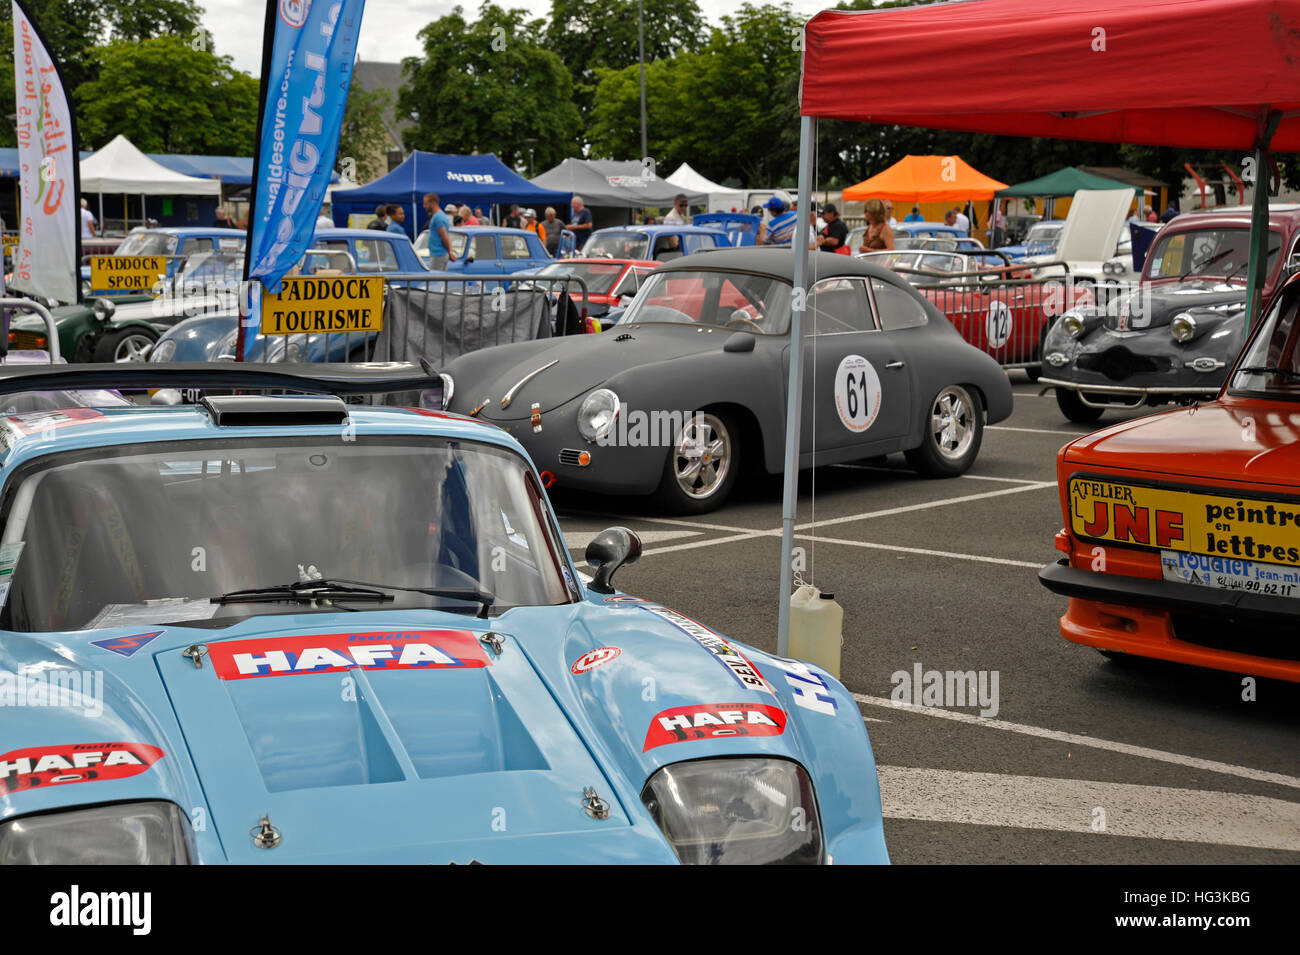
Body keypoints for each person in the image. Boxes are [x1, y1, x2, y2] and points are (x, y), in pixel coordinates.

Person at [423, 192, 455, 269]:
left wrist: (450, 251)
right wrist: (450, 251)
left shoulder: (438, 217)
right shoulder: (440, 216)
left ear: (433, 203)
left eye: (426, 204)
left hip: (438, 255)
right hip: (439, 254)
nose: (424, 206)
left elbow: (444, 236)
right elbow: (446, 236)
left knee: (435, 280)